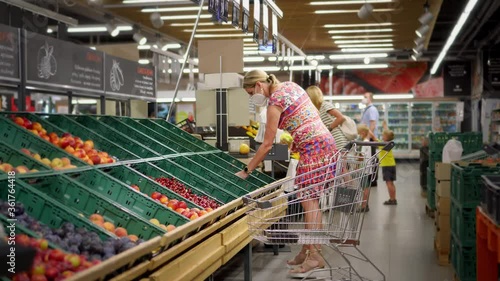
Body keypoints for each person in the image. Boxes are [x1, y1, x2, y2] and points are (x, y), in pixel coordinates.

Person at [235, 70, 337, 276]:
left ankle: (315, 256)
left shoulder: (275, 102)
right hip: (323, 144)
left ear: (258, 86)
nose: (251, 97)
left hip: (314, 149)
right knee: (310, 199)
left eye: (249, 93)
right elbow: (305, 117)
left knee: (310, 203)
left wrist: (247, 170)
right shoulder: (291, 86)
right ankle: (307, 250)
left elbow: (266, 144)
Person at [370, 121, 397, 205]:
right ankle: (393, 198)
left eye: (383, 135)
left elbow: (373, 137)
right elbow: (388, 133)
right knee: (391, 183)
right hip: (392, 165)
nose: (382, 136)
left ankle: (392, 200)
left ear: (386, 138)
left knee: (388, 183)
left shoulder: (383, 144)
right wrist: (385, 126)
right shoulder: (389, 143)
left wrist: (370, 129)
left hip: (387, 166)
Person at [360, 92, 380, 187]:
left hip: (371, 138)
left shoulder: (371, 109)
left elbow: (372, 124)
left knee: (372, 159)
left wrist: (368, 137)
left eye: (365, 97)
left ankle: (373, 179)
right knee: (369, 158)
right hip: (368, 138)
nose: (363, 98)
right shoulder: (367, 109)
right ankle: (370, 177)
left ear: (370, 99)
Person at [357, 124, 372, 212]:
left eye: (359, 133)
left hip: (364, 169)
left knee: (364, 187)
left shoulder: (364, 143)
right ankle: (365, 204)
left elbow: (361, 156)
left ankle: (364, 206)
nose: (358, 135)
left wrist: (357, 165)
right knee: (365, 187)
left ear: (362, 133)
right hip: (367, 168)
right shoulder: (367, 141)